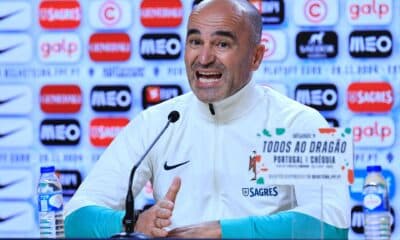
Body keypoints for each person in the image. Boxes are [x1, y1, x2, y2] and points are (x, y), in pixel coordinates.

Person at [64, 0, 350, 238]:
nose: (203, 58)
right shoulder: (158, 122)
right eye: (195, 41)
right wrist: (134, 224)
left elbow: (332, 225)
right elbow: (75, 217)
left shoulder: (302, 124)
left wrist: (222, 232)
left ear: (256, 57)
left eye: (222, 44)